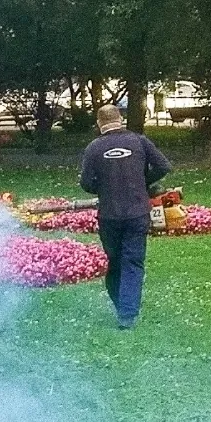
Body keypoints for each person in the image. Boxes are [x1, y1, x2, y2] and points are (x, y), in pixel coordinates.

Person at [78, 104, 172, 329]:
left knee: (115, 261)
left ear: (99, 123)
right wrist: (143, 181)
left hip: (109, 215)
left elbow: (86, 183)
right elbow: (163, 166)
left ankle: (123, 307)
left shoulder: (94, 148)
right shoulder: (139, 141)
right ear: (120, 118)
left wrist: (104, 188)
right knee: (133, 261)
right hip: (137, 213)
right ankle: (127, 313)